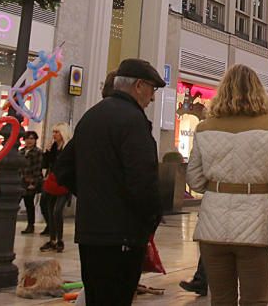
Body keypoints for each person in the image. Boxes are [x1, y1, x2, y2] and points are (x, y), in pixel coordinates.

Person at [53, 58, 163, 306]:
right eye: (152, 89)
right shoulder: (133, 121)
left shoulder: (91, 116)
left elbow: (62, 169)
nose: (153, 97)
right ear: (138, 86)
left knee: (95, 296)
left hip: (91, 232)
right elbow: (143, 180)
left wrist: (94, 196)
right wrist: (151, 218)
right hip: (123, 235)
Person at [186, 64, 268, 305]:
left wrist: (219, 188)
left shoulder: (204, 129)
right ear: (259, 92)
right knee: (254, 300)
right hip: (256, 226)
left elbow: (194, 180)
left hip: (212, 227)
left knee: (221, 300)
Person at [41, 122, 73, 253]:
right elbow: (46, 164)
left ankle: (59, 239)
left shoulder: (68, 148)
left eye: (57, 132)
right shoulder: (53, 147)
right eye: (53, 132)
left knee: (57, 211)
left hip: (64, 182)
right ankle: (52, 239)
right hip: (52, 180)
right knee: (49, 209)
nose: (54, 135)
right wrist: (47, 153)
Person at [19, 130, 43, 234]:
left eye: (32, 138)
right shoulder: (21, 152)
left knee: (29, 203)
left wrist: (33, 183)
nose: (29, 141)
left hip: (30, 181)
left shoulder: (37, 152)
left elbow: (38, 168)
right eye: (28, 138)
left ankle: (30, 224)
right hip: (20, 181)